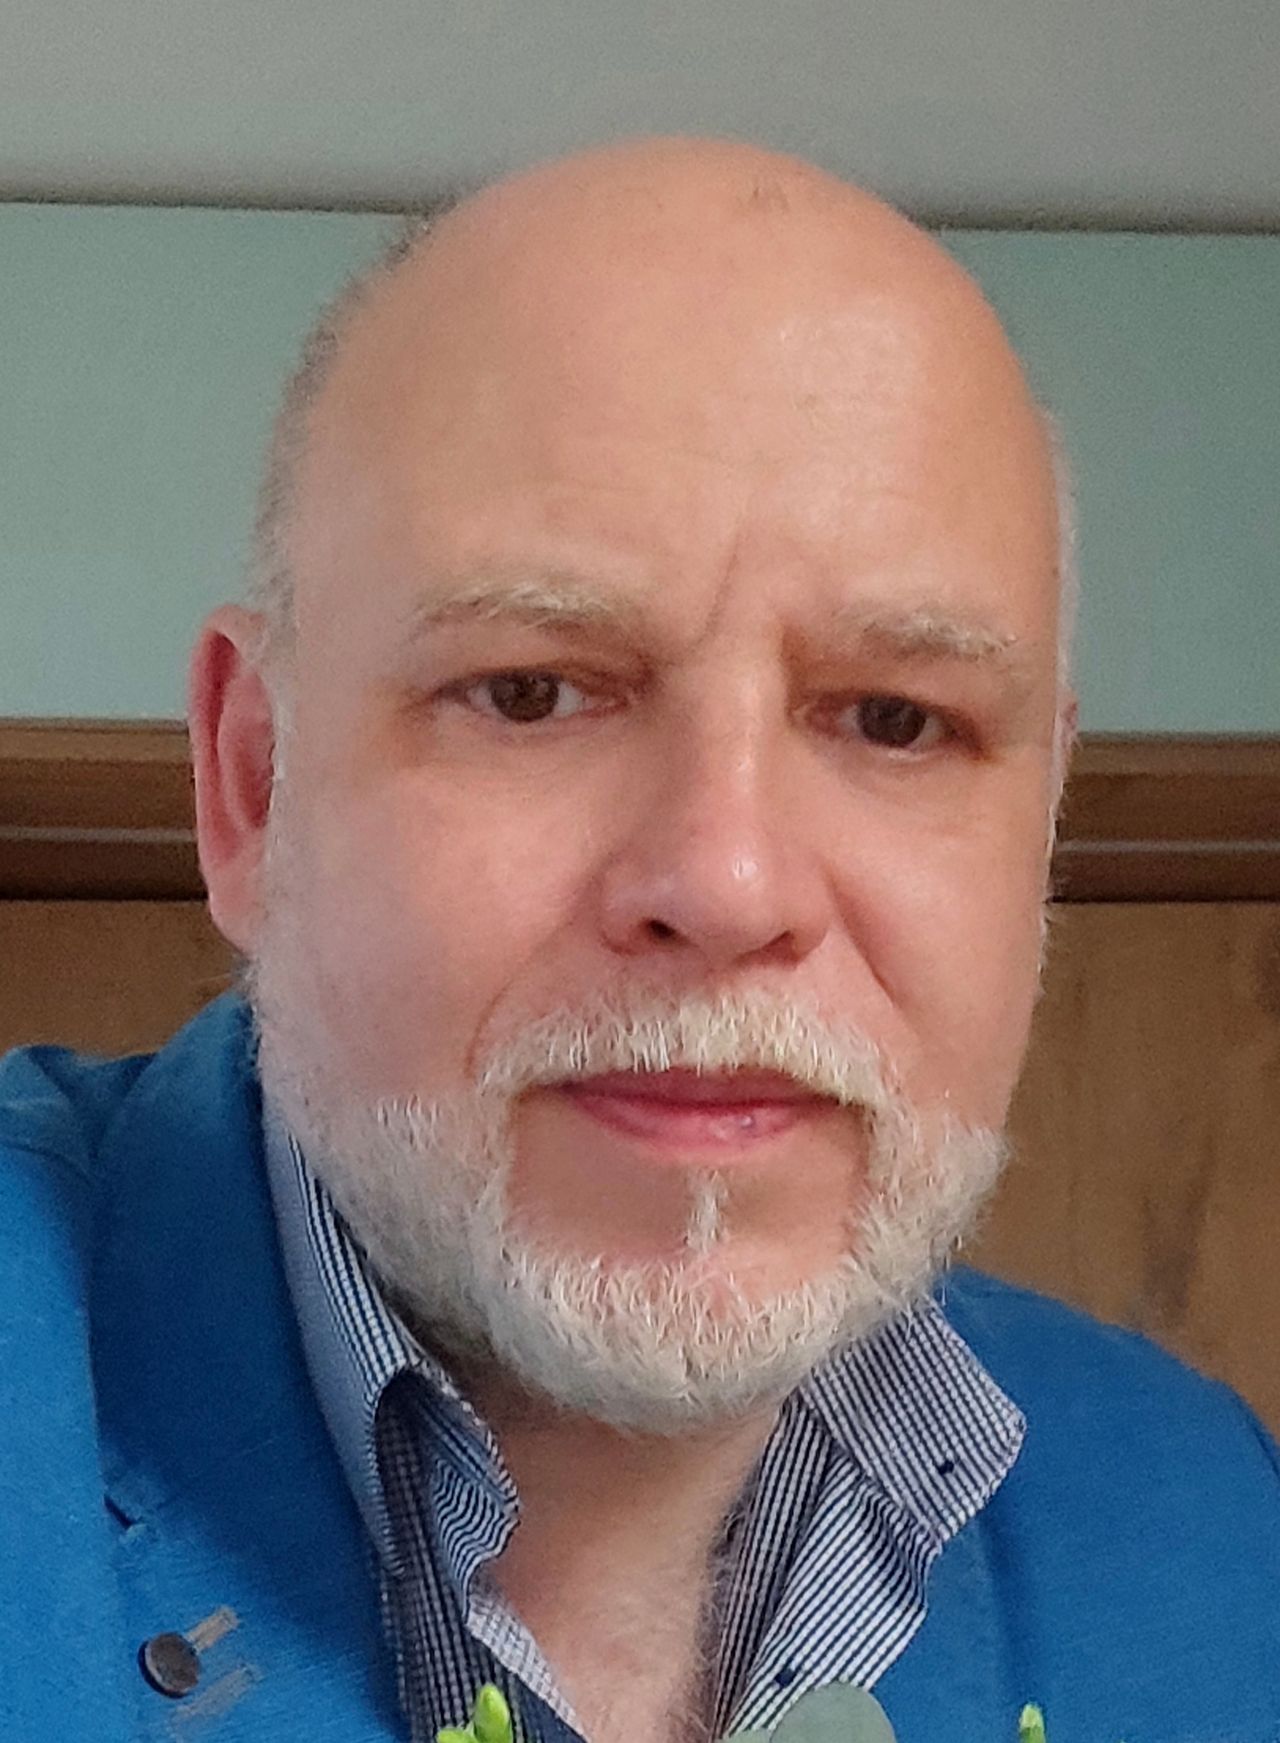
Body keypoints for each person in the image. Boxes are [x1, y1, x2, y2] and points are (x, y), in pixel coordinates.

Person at [1, 137, 1276, 1743]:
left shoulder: (1216, 1537)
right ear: (252, 785)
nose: (727, 883)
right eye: (531, 693)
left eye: (896, 719)